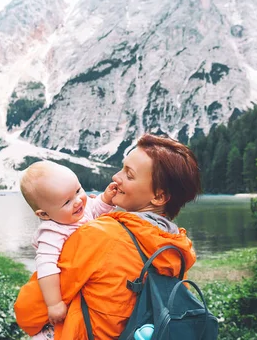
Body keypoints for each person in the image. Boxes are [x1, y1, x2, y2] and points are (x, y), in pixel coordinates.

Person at [14, 134, 201, 339]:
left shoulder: (99, 235)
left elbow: (28, 312)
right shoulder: (176, 247)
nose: (116, 177)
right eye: (122, 168)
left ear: (158, 196)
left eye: (129, 175)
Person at [19, 161, 118, 339]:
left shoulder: (80, 208)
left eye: (78, 190)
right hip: (65, 287)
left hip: (86, 276)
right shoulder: (52, 233)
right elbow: (46, 268)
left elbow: (95, 209)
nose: (78, 201)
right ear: (44, 214)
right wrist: (54, 303)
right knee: (63, 322)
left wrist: (106, 199)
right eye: (67, 201)